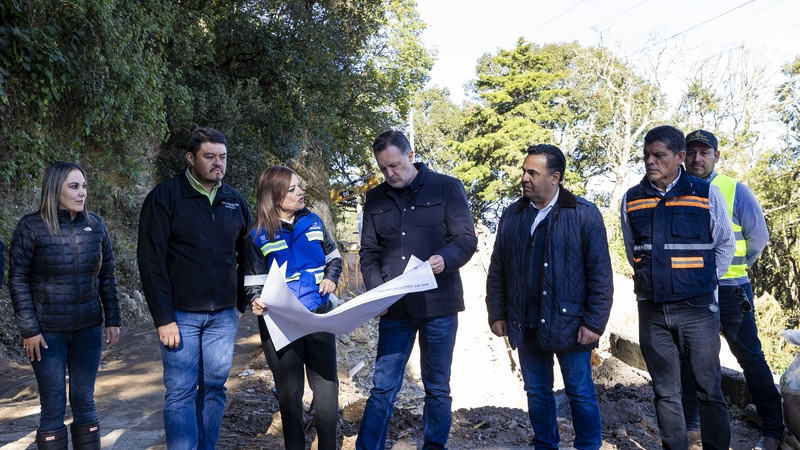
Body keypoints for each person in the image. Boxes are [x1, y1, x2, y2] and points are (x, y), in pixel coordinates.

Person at [486, 144, 614, 449]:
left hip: (571, 325)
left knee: (580, 391)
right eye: (524, 171)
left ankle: (588, 446)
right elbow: (498, 269)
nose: (525, 178)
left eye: (533, 172)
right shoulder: (513, 214)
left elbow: (600, 275)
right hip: (524, 323)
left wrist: (594, 323)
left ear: (555, 178)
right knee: (537, 392)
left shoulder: (583, 213)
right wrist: (497, 313)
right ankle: (545, 445)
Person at [356, 130, 477, 450]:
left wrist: (444, 259)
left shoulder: (447, 187)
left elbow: (466, 240)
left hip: (439, 305)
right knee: (383, 387)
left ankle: (434, 446)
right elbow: (368, 253)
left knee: (437, 387)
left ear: (411, 156)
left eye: (395, 165)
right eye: (383, 168)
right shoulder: (376, 198)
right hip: (394, 309)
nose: (389, 174)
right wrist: (377, 293)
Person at [620, 125, 735, 450]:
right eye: (646, 156)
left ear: (680, 157)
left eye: (659, 155)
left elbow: (724, 244)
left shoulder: (705, 193)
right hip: (652, 312)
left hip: (697, 311)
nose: (650, 162)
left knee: (708, 390)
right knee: (665, 393)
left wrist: (704, 283)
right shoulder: (631, 198)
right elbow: (634, 251)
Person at [137, 127, 252, 449]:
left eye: (223, 157)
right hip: (180, 315)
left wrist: (239, 302)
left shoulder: (234, 201)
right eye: (210, 157)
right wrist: (163, 318)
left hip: (223, 317)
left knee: (215, 388)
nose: (218, 163)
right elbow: (151, 261)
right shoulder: (165, 198)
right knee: (181, 391)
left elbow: (248, 256)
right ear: (190, 158)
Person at [681, 129, 783, 450]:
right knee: (691, 360)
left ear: (716, 156)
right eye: (692, 152)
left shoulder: (735, 190)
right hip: (691, 294)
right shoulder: (673, 192)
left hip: (730, 291)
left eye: (705, 152)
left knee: (751, 359)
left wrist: (736, 267)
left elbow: (758, 239)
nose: (698, 158)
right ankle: (694, 427)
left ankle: (773, 430)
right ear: (683, 156)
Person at [10, 162, 120, 450]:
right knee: (53, 403)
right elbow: (18, 280)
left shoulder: (95, 225)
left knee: (84, 399)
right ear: (53, 189)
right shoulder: (31, 227)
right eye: (74, 186)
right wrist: (29, 330)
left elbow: (107, 275)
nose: (82, 192)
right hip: (47, 335)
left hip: (88, 329)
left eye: (84, 186)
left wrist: (113, 319)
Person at [243, 166, 343, 450]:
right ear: (274, 197)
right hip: (280, 325)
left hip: (317, 317)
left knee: (326, 393)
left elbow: (333, 259)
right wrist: (255, 300)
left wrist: (330, 278)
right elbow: (253, 283)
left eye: (299, 187)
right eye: (292, 189)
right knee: (290, 396)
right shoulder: (257, 235)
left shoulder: (313, 221)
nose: (301, 193)